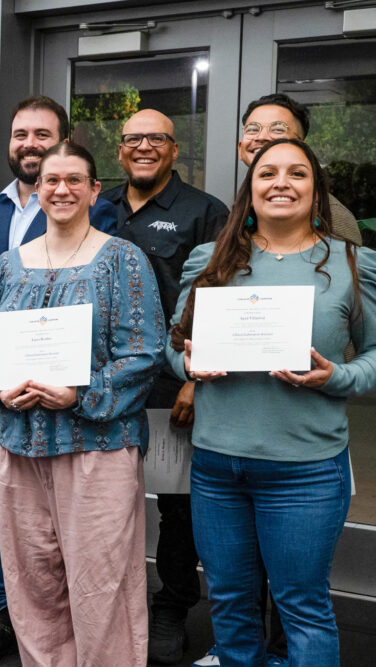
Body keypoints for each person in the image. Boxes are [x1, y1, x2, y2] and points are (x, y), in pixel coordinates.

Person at [167, 138, 376, 667]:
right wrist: (187, 367)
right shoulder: (208, 258)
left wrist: (338, 376)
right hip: (216, 468)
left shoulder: (354, 262)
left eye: (297, 173)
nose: (281, 182)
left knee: (301, 608)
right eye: (268, 173)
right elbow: (172, 346)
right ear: (250, 189)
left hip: (304, 472)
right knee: (231, 605)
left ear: (316, 189)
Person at [0, 141, 165, 666]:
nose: (61, 189)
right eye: (51, 180)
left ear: (94, 189)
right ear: (36, 190)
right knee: (33, 585)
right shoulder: (9, 266)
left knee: (101, 586)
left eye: (74, 180)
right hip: (19, 448)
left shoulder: (123, 259)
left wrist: (81, 394)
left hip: (97, 449)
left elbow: (145, 354)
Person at [0, 96, 117, 667]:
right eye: (20, 134)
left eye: (42, 133)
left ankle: (65, 628)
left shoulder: (87, 205)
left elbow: (98, 299)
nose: (30, 144)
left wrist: (46, 368)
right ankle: (2, 615)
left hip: (64, 394)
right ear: (8, 145)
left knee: (58, 520)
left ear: (64, 141)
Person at [99, 108, 229, 665]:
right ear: (120, 149)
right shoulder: (96, 204)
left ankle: (173, 605)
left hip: (169, 385)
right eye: (133, 139)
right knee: (106, 497)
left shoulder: (205, 212)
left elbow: (216, 300)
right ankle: (108, 603)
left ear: (174, 149)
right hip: (102, 386)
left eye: (156, 138)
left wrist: (195, 383)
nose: (144, 147)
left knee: (177, 505)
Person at [237, 93, 362, 246]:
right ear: (240, 147)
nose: (261, 137)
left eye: (277, 129)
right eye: (252, 129)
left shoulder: (332, 215)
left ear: (301, 146)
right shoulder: (242, 203)